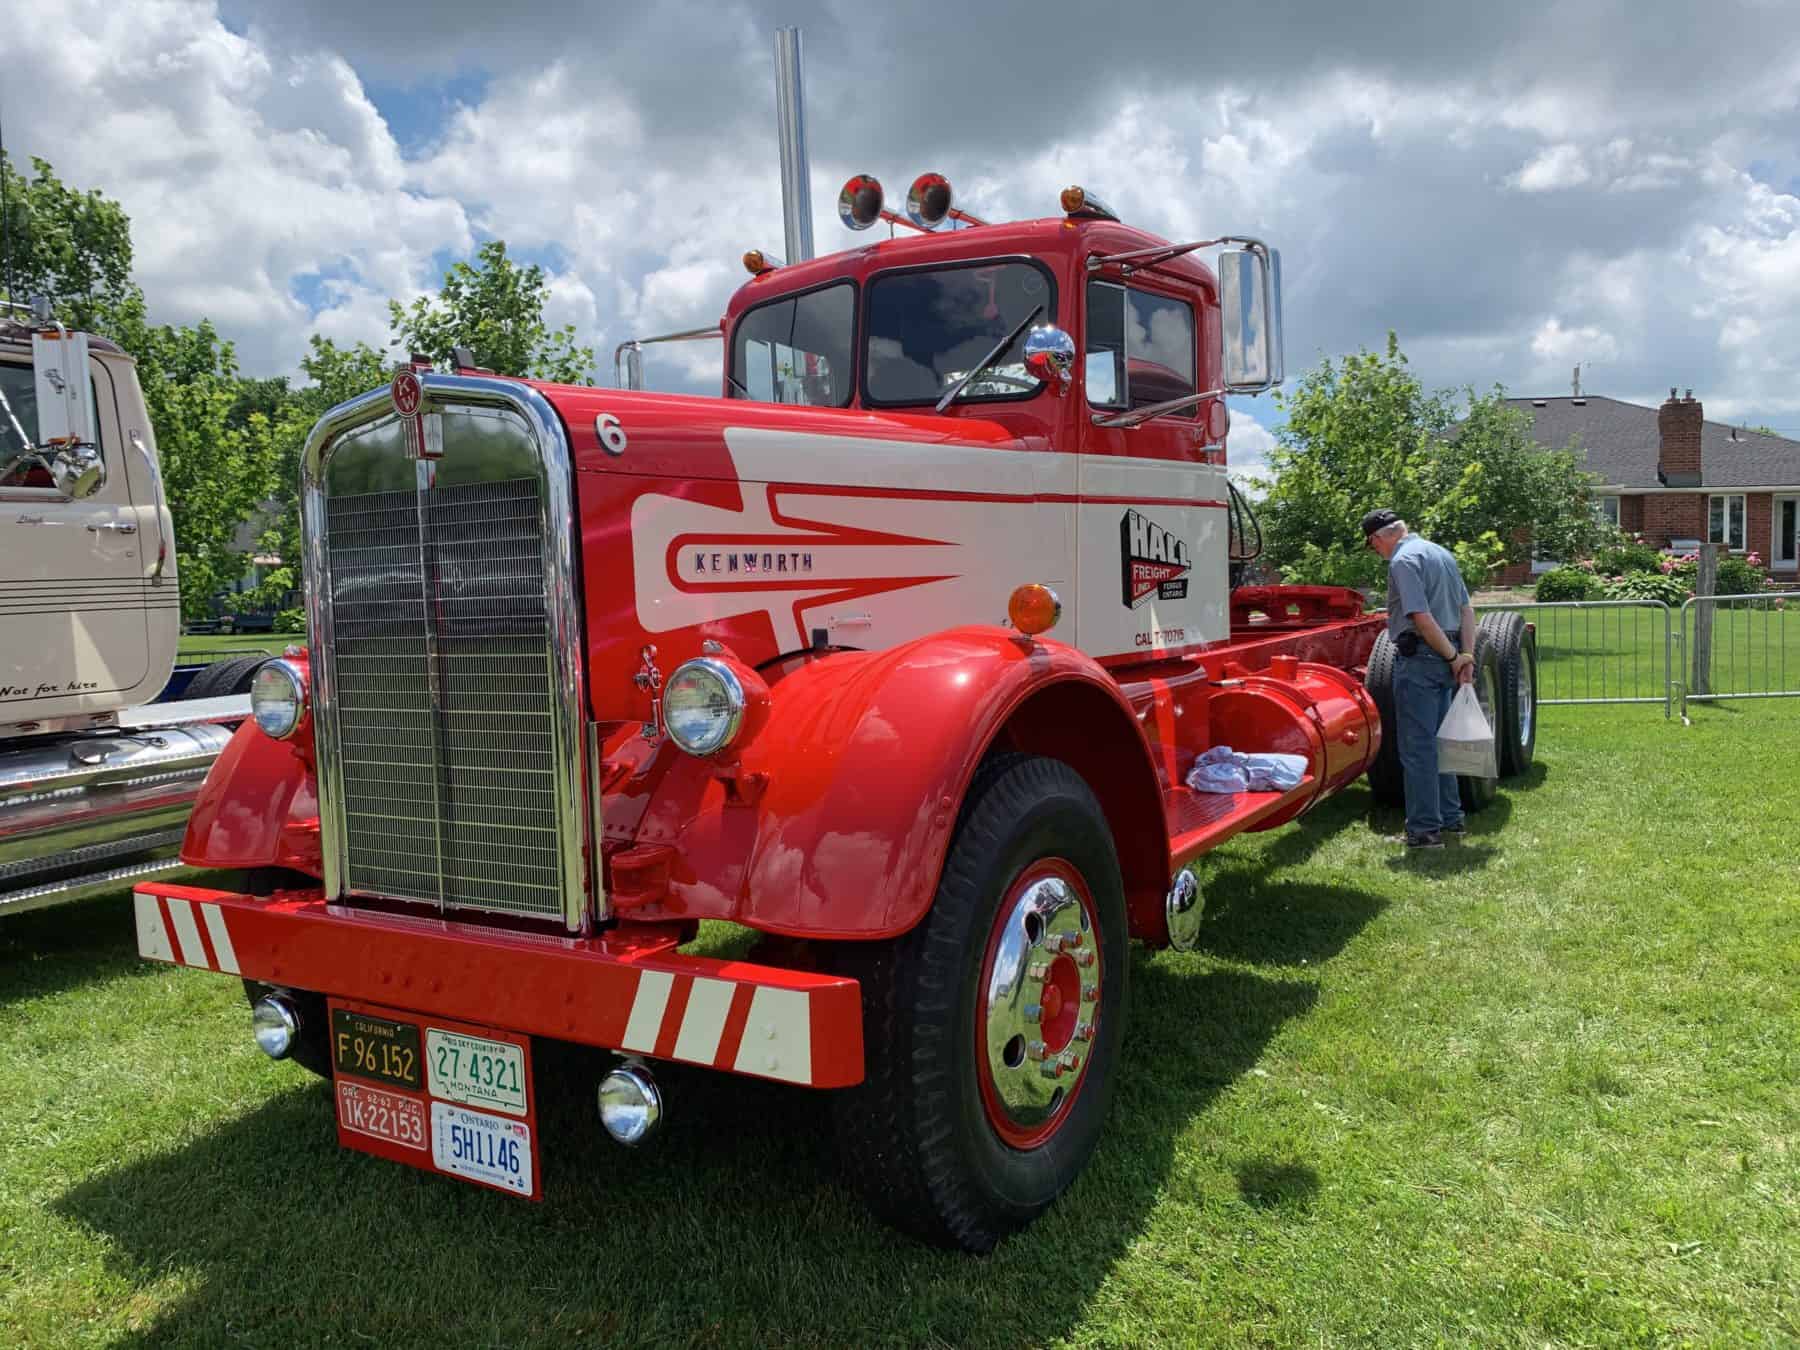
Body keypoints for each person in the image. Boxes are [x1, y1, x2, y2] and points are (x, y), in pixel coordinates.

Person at [1362, 509, 1476, 850]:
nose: (1376, 552)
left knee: (1418, 749)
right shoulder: (1441, 553)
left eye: (1372, 546)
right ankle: (1451, 820)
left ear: (1379, 537)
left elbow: (1420, 616)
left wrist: (1454, 658)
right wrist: (1464, 656)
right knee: (1441, 743)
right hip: (1450, 650)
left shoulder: (1402, 560)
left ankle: (1425, 830)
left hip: (1423, 657)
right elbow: (1466, 610)